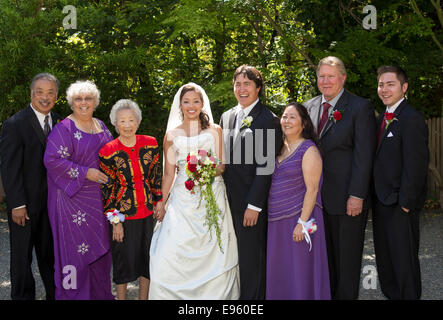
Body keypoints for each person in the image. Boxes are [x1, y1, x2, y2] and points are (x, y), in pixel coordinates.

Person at [149, 83, 240, 299]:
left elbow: (221, 165)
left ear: (202, 104)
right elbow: (169, 173)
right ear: (180, 104)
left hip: (212, 192)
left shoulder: (215, 130)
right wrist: (161, 202)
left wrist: (204, 171)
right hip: (182, 197)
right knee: (170, 249)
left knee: (214, 248)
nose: (191, 106)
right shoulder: (171, 135)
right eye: (187, 101)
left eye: (196, 101)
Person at [304, 56, 376, 299]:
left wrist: (357, 195)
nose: (325, 81)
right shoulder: (308, 107)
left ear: (342, 78)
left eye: (330, 76)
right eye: (321, 76)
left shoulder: (359, 107)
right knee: (324, 260)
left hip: (347, 199)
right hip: (315, 200)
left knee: (346, 261)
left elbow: (364, 156)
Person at [43, 80, 114, 300]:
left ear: (96, 102)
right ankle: (72, 296)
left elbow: (113, 155)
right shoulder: (64, 128)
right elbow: (52, 159)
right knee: (72, 254)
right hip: (69, 201)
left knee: (99, 250)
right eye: (78, 99)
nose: (83, 103)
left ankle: (99, 295)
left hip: (97, 201)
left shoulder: (101, 126)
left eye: (88, 98)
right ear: (71, 103)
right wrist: (86, 173)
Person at [220, 65, 283, 299]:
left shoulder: (268, 120)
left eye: (247, 84)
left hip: (250, 204)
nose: (242, 88)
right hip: (228, 201)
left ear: (258, 88)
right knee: (233, 256)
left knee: (251, 258)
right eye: (238, 84)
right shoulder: (227, 117)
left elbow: (265, 169)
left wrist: (254, 205)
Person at [0, 73, 59, 300]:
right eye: (40, 92)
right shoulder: (15, 124)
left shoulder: (62, 122)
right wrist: (17, 204)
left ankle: (56, 295)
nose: (45, 97)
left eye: (50, 93)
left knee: (51, 258)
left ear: (56, 96)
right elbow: (9, 168)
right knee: (22, 261)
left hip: (53, 206)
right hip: (24, 207)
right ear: (31, 93)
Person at [372, 66, 429, 299]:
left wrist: (406, 204)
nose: (384, 89)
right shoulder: (380, 119)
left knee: (404, 264)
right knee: (386, 264)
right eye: (381, 85)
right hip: (380, 202)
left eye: (390, 84)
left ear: (404, 87)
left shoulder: (411, 119)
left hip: (399, 204)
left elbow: (416, 165)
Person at [99, 99, 162, 300]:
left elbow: (155, 177)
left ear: (138, 121)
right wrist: (115, 221)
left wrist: (160, 201)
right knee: (122, 262)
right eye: (122, 121)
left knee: (147, 260)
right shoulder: (108, 151)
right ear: (115, 124)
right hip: (123, 217)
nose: (127, 125)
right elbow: (107, 190)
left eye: (131, 120)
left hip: (148, 214)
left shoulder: (150, 144)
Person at [266, 102, 330, 300]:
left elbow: (312, 190)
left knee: (300, 273)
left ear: (303, 124)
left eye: (292, 117)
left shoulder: (308, 150)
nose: (287, 121)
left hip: (300, 220)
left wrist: (302, 224)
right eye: (284, 116)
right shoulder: (278, 148)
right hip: (276, 222)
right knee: (281, 272)